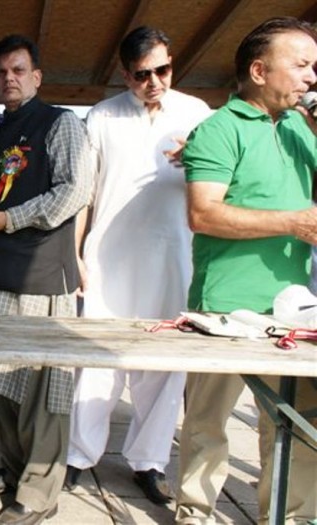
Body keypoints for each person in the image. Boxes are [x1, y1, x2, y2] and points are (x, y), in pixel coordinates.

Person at [175, 17, 317, 525]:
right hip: (226, 304)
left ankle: (294, 518)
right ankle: (195, 513)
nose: (311, 78)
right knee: (208, 423)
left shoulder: (303, 129)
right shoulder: (218, 129)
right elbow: (204, 214)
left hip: (295, 305)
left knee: (294, 425)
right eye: (300, 65)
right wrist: (293, 222)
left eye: (313, 67)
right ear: (259, 70)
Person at [64, 27, 211, 504]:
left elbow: (219, 186)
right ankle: (78, 456)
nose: (154, 82)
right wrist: (76, 253)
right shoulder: (102, 116)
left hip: (173, 256)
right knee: (97, 362)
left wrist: (199, 159)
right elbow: (83, 193)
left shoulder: (198, 114)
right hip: (107, 257)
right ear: (125, 75)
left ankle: (149, 462)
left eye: (163, 70)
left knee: (165, 366)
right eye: (142, 74)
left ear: (173, 64)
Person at [0, 35, 92, 525]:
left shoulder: (60, 123)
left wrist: (7, 220)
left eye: (18, 70)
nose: (8, 78)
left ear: (36, 76)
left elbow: (75, 189)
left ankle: (38, 495)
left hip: (40, 273)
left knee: (41, 395)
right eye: (1, 72)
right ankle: (14, 472)